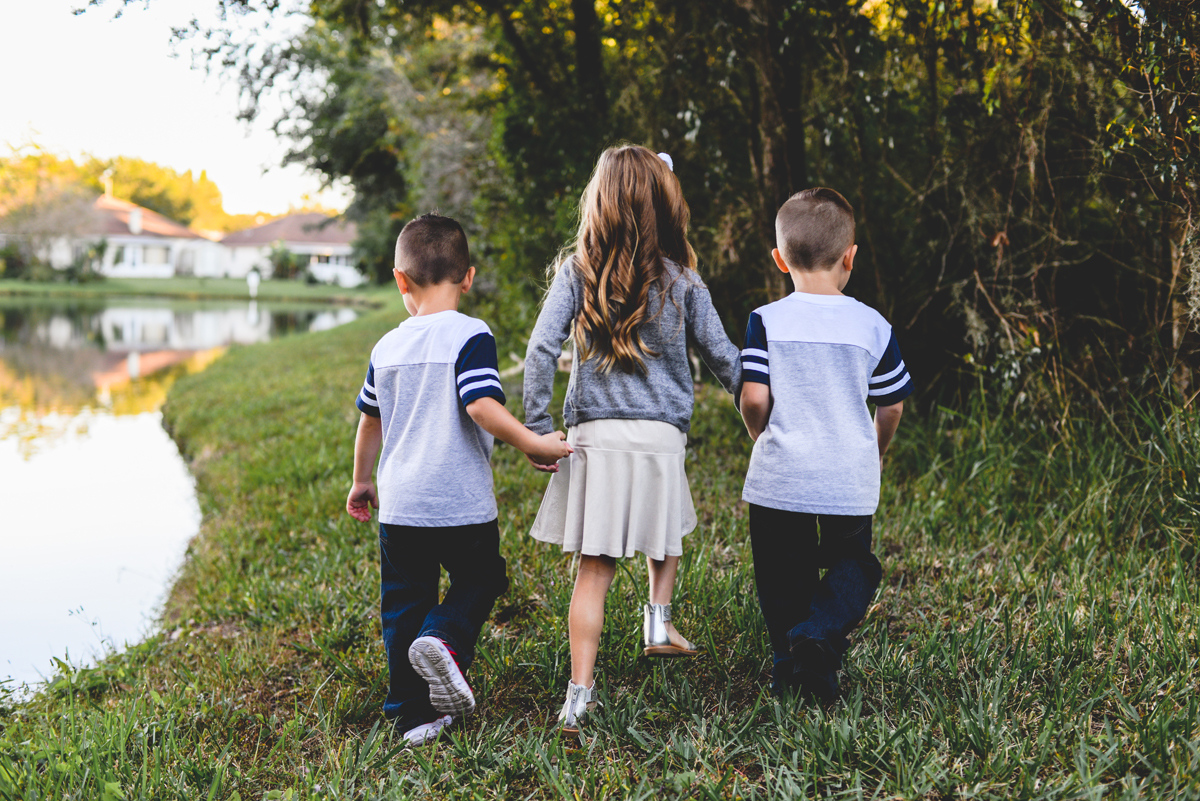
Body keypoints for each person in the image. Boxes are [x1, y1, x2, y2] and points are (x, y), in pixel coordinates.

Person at [523, 145, 742, 736]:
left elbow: (540, 348)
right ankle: (657, 619)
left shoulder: (578, 272)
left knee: (593, 572)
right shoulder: (685, 281)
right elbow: (725, 360)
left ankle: (578, 694)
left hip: (594, 436)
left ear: (599, 203)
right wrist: (762, 415)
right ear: (666, 205)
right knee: (664, 524)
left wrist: (539, 427)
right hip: (660, 440)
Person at [346, 213, 573, 746]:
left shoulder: (387, 346)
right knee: (482, 578)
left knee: (403, 601)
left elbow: (368, 423)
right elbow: (481, 405)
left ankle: (411, 714)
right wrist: (533, 442)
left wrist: (361, 482)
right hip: (461, 504)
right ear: (467, 277)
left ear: (400, 280)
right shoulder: (471, 334)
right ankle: (445, 640)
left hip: (400, 507)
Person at [739, 187, 912, 703]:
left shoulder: (765, 320)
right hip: (847, 476)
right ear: (850, 257)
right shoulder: (872, 325)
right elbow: (893, 405)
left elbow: (753, 398)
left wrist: (757, 431)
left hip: (780, 478)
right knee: (855, 565)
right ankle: (819, 638)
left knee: (781, 575)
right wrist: (875, 450)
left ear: (779, 259)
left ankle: (786, 665)